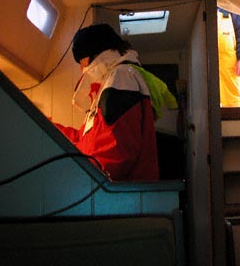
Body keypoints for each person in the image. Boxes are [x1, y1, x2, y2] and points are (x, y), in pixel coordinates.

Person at [54, 23, 177, 181]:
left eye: (81, 62)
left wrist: (84, 179)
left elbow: (116, 153)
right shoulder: (111, 82)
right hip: (111, 188)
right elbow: (82, 139)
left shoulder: (121, 78)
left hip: (120, 191)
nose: (81, 70)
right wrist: (47, 126)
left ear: (93, 55)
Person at [217, 8, 240, 107]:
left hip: (229, 64)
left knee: (232, 100)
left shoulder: (232, 8)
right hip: (207, 59)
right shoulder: (203, 6)